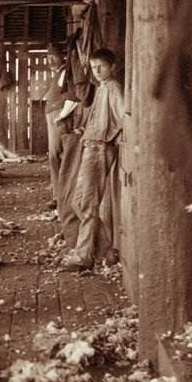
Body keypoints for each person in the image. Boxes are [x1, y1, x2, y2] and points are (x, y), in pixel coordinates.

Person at [62, 48, 123, 270]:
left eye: (101, 67)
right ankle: (106, 251)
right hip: (91, 145)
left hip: (100, 148)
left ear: (113, 67)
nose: (96, 71)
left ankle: (83, 255)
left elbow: (124, 116)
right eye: (94, 67)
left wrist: (113, 137)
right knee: (78, 202)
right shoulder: (102, 88)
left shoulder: (114, 87)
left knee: (86, 203)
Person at [41, 44, 66, 204]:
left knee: (56, 154)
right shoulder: (58, 74)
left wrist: (61, 115)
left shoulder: (65, 72)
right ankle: (58, 191)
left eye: (54, 56)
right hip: (53, 114)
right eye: (48, 57)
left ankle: (60, 196)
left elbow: (71, 96)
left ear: (62, 56)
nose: (50, 60)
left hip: (59, 115)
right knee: (53, 155)